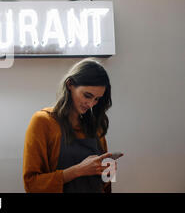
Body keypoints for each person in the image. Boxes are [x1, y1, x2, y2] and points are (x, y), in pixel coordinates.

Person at [23, 58, 122, 193]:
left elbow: (105, 185)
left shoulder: (95, 127)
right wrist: (78, 170)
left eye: (97, 99)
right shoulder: (43, 122)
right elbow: (31, 185)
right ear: (70, 84)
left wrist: (108, 172)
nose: (91, 104)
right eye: (87, 95)